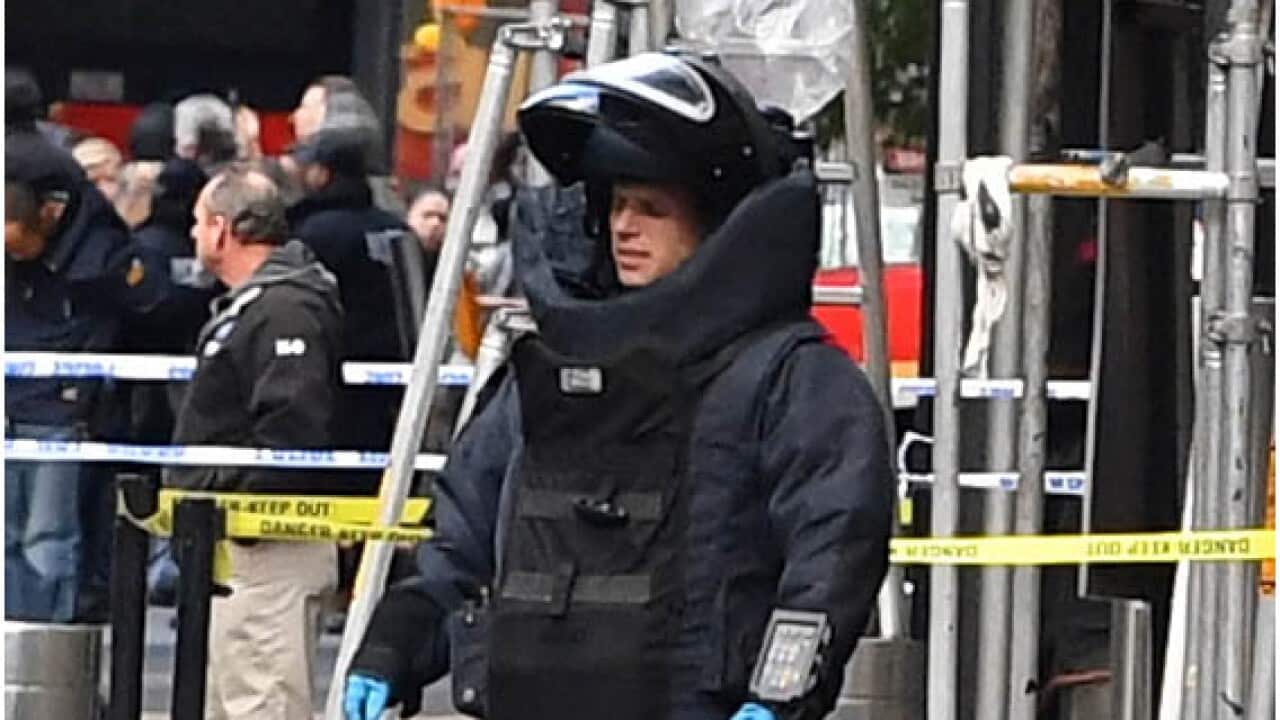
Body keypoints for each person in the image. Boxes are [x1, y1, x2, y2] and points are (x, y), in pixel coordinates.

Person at [343, 52, 893, 720]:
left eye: (652, 209)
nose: (624, 226)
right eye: (618, 205)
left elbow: (834, 551)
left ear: (720, 223)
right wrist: (389, 650)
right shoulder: (550, 377)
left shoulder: (790, 380)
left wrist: (779, 695)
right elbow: (458, 541)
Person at [165, 166, 341, 719]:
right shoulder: (260, 305)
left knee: (263, 703)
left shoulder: (285, 308)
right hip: (237, 544)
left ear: (223, 229)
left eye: (198, 223)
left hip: (265, 547)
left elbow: (292, 429)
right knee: (235, 700)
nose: (193, 236)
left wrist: (230, 495)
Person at [5, 130, 168, 622]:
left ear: (51, 213)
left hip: (62, 412)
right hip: (22, 404)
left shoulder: (102, 258)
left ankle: (45, 658)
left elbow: (155, 307)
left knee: (47, 541)